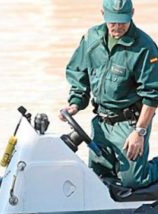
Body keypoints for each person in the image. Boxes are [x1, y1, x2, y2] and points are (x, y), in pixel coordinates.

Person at [60, 0, 158, 189]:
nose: (117, 27)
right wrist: (75, 103)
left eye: (122, 21)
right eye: (113, 21)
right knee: (98, 179)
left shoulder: (145, 48)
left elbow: (153, 95)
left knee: (135, 181)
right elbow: (78, 72)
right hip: (101, 122)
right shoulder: (91, 38)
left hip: (129, 125)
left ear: (132, 14)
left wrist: (139, 132)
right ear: (103, 14)